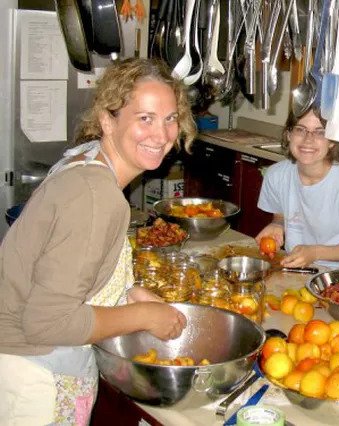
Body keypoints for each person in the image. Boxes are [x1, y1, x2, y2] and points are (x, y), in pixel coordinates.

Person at [0, 58, 197, 424]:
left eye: (170, 118)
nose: (162, 134)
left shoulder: (88, 161)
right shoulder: (97, 197)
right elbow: (48, 322)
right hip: (35, 374)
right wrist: (143, 315)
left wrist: (129, 290)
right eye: (145, 118)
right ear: (108, 121)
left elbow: (67, 264)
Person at [255, 108, 339, 269]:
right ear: (289, 134)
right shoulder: (276, 175)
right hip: (294, 266)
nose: (308, 139)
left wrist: (314, 253)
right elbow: (280, 215)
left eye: (320, 132)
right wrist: (278, 225)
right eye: (300, 129)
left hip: (338, 276)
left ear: (332, 140)